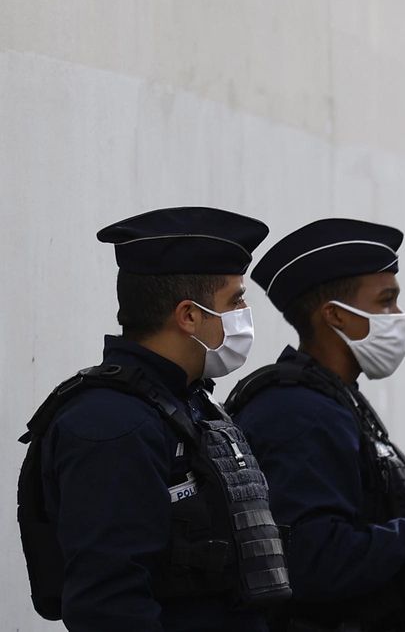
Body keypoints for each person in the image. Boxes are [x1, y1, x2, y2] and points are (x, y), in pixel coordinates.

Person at [17, 207, 290, 632]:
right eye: (235, 300)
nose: (244, 313)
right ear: (189, 316)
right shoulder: (111, 425)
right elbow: (110, 608)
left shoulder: (189, 404)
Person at [227, 218, 405, 632]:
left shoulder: (335, 401)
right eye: (386, 302)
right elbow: (316, 560)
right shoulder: (298, 413)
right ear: (337, 317)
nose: (399, 317)